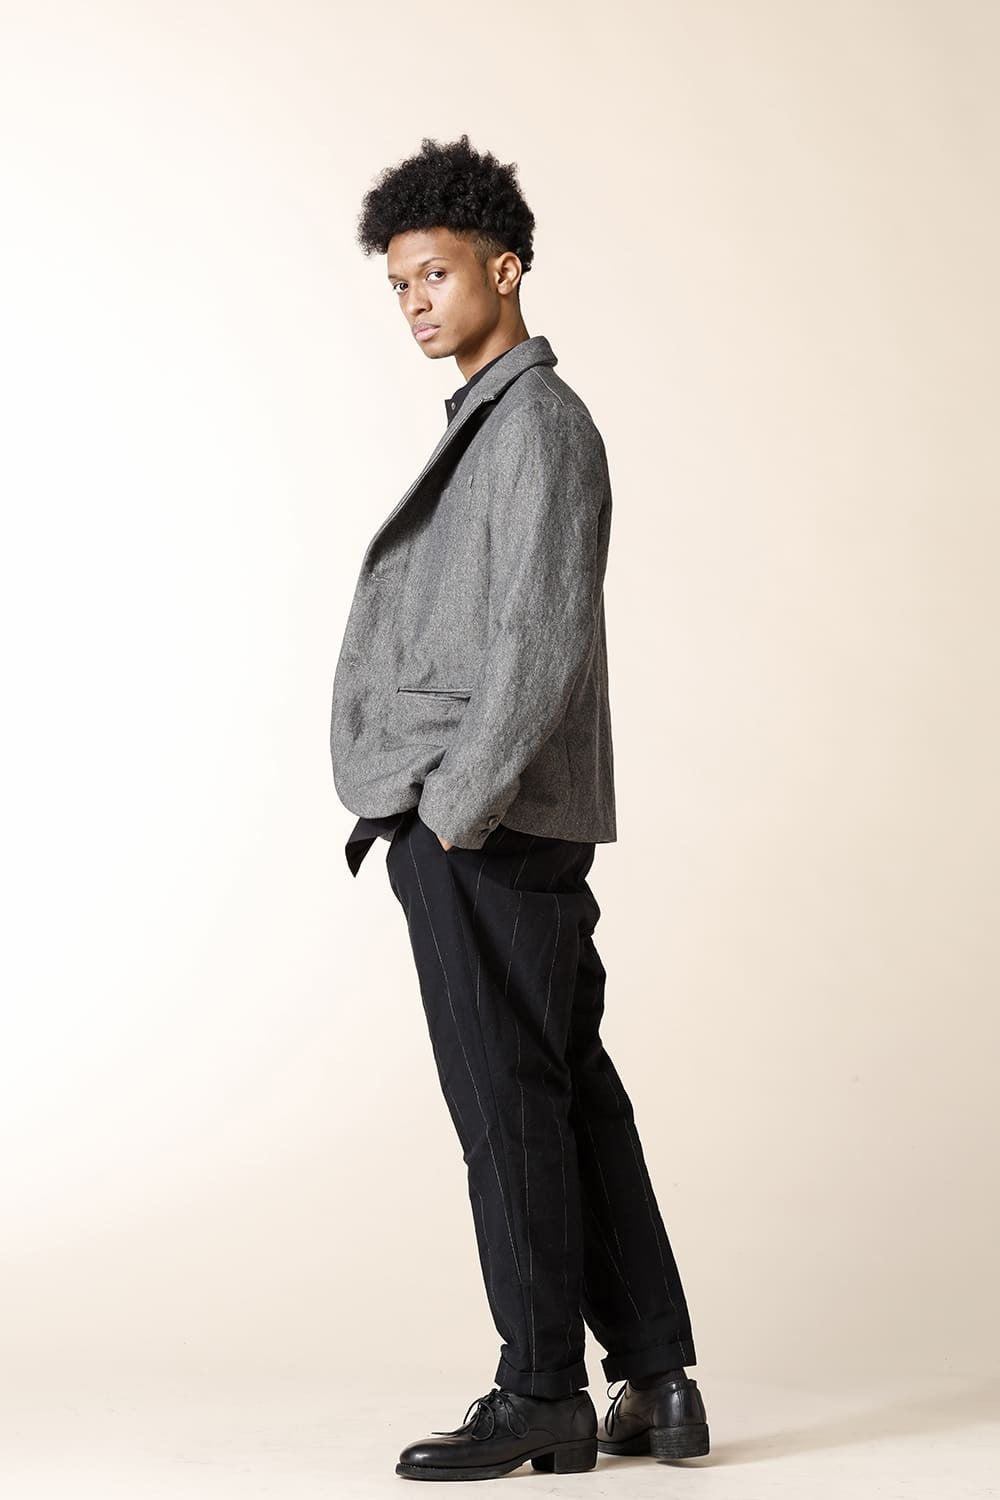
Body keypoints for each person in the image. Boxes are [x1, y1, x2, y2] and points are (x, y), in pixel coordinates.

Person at [329, 133, 710, 1482]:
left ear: (505, 268)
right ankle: (657, 1383)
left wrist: (449, 812)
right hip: (501, 821)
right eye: (399, 285)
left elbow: (535, 645)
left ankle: (542, 1388)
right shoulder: (497, 424)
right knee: (567, 1094)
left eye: (434, 274)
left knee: (509, 1110)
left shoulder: (539, 424)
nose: (416, 302)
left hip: (488, 826)